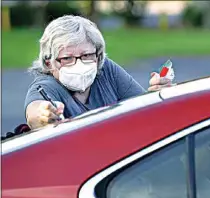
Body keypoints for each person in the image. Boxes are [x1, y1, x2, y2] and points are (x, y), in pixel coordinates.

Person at [25, 15, 171, 130]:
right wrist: (44, 115)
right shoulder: (46, 86)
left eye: (86, 55)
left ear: (98, 55)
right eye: (67, 58)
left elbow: (143, 109)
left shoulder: (106, 70)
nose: (79, 64)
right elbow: (34, 113)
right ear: (49, 62)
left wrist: (158, 95)